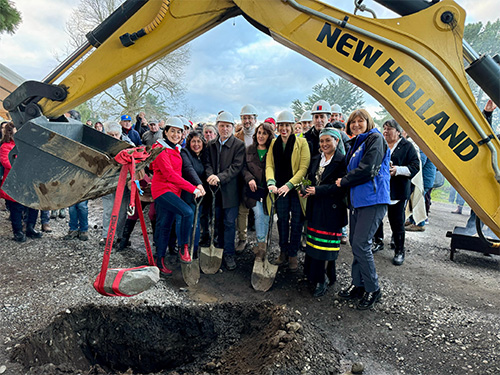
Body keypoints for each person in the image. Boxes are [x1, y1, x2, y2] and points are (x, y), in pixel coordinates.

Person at [335, 109, 390, 310]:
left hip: (373, 199)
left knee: (361, 243)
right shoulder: (357, 143)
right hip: (358, 200)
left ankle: (373, 288)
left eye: (360, 121)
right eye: (352, 122)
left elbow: (368, 168)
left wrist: (344, 181)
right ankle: (358, 284)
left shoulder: (375, 138)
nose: (356, 125)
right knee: (355, 243)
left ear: (368, 122)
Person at [151, 117, 204, 273]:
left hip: (174, 192)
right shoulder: (160, 149)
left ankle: (159, 261)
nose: (176, 134)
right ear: (165, 131)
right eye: (172, 131)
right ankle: (183, 247)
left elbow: (182, 171)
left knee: (165, 225)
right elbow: (169, 175)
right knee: (187, 212)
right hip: (163, 190)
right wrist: (193, 189)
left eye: (179, 131)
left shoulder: (176, 148)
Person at [301, 128, 347, 297]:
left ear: (336, 141)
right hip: (315, 207)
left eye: (328, 140)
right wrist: (306, 189)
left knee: (325, 247)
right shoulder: (316, 159)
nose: (324, 144)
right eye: (322, 141)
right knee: (313, 243)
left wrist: (317, 191)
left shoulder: (342, 161)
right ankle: (313, 275)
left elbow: (341, 187)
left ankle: (323, 279)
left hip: (331, 209)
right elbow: (311, 179)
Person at [266, 110, 311, 272]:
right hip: (279, 189)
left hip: (295, 189)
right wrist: (271, 182)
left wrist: (289, 185)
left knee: (297, 221)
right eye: (281, 125)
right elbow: (270, 164)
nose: (284, 128)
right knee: (282, 220)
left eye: (287, 125)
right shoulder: (274, 143)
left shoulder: (302, 143)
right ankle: (283, 251)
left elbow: (303, 168)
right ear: (277, 127)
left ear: (292, 126)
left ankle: (293, 254)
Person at [372, 119, 420, 266]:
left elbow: (415, 166)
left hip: (397, 190)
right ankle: (378, 241)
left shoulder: (407, 146)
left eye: (389, 129)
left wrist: (397, 170)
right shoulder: (381, 143)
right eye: (384, 128)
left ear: (398, 131)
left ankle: (399, 250)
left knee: (397, 221)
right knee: (376, 218)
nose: (385, 131)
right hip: (380, 188)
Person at [204, 111, 246, 270]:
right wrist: (210, 176)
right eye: (222, 126)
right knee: (217, 220)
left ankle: (229, 254)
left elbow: (236, 167)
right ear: (217, 127)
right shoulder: (211, 144)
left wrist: (219, 177)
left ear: (232, 127)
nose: (225, 129)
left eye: (228, 126)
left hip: (230, 191)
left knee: (229, 223)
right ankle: (218, 250)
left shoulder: (238, 145)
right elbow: (207, 163)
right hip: (214, 190)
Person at [0, 122, 43, 242]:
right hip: (15, 182)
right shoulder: (5, 147)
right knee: (16, 208)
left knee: (33, 206)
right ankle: (18, 231)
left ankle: (30, 228)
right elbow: (6, 162)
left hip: (28, 180)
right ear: (10, 133)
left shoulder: (25, 145)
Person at [242, 122, 274, 259]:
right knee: (259, 214)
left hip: (267, 191)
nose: (261, 136)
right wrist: (249, 178)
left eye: (264, 133)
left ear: (269, 135)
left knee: (266, 216)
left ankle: (262, 243)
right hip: (252, 192)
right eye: (259, 133)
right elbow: (243, 168)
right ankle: (261, 245)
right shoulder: (249, 149)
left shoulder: (273, 151)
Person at [176, 130, 207, 258]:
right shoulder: (185, 153)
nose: (196, 144)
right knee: (181, 221)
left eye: (199, 141)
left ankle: (193, 251)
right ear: (189, 142)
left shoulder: (204, 155)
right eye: (193, 141)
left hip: (198, 195)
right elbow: (188, 169)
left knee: (195, 223)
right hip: (185, 193)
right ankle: (182, 249)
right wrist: (198, 185)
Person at [234, 104, 258, 252]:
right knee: (242, 211)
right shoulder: (237, 137)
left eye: (250, 117)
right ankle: (242, 239)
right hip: (241, 179)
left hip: (259, 178)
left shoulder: (262, 135)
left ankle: (261, 242)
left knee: (259, 212)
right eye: (244, 118)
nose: (247, 121)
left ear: (255, 119)